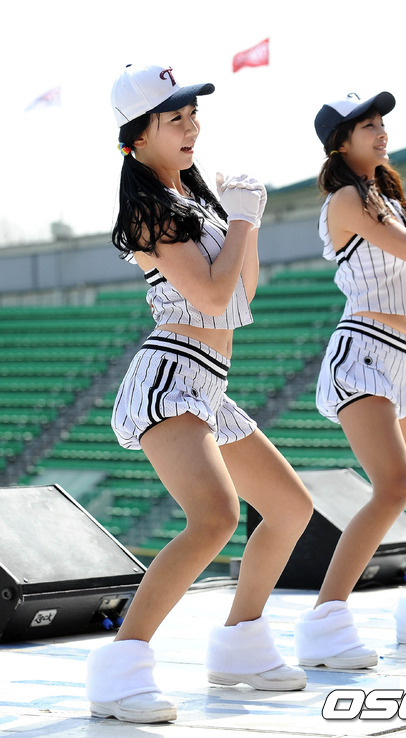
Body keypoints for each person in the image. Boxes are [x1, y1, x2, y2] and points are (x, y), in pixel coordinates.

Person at [85, 62, 313, 724]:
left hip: (209, 383)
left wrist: (247, 224)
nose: (192, 128)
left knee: (290, 509)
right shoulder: (148, 209)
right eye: (175, 118)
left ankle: (241, 645)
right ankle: (119, 670)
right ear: (138, 136)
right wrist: (239, 222)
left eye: (193, 115)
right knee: (214, 517)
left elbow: (243, 295)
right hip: (171, 376)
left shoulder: (192, 202)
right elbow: (211, 296)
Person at [294, 92, 406, 670]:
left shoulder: (391, 202)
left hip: (399, 360)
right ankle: (324, 624)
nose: (381, 131)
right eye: (367, 125)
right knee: (395, 486)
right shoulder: (346, 199)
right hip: (362, 352)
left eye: (381, 122)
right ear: (340, 143)